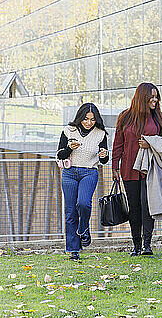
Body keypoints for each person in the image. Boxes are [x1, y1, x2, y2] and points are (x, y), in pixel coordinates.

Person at [112, 83, 162, 256]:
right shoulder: (125, 117)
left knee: (147, 205)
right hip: (129, 169)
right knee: (134, 207)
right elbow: (118, 143)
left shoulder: (159, 118)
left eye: (156, 97)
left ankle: (147, 245)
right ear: (141, 97)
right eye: (151, 97)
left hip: (151, 170)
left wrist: (151, 143)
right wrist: (115, 166)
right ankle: (136, 245)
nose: (154, 100)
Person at [57, 103, 108, 261]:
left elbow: (104, 160)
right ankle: (74, 250)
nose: (88, 122)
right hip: (69, 173)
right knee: (71, 212)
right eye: (86, 119)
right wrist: (70, 148)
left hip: (89, 172)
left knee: (84, 203)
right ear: (80, 118)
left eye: (92, 120)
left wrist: (104, 155)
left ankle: (84, 229)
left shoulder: (100, 134)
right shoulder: (69, 130)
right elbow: (60, 155)